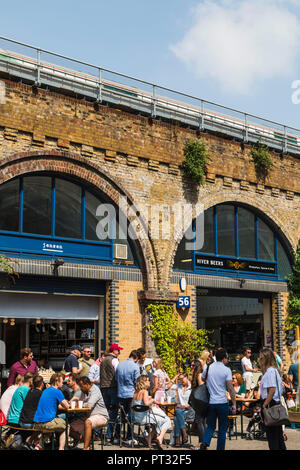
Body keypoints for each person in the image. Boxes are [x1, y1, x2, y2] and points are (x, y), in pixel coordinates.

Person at [200, 348, 236, 451]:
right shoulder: (226, 370)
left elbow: (202, 378)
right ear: (224, 358)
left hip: (211, 401)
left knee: (210, 426)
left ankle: (205, 442)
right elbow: (230, 388)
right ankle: (220, 448)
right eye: (227, 358)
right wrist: (233, 403)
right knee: (222, 429)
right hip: (222, 402)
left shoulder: (208, 367)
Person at [132, 375, 171, 450]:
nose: (150, 381)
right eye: (148, 380)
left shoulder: (135, 393)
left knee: (157, 422)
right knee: (166, 419)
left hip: (137, 418)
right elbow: (146, 403)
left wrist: (148, 399)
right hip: (144, 418)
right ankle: (160, 437)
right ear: (143, 382)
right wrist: (152, 400)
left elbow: (134, 405)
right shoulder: (144, 391)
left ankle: (148, 438)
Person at [70, 376, 109, 451]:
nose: (80, 388)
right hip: (88, 416)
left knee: (88, 422)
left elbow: (89, 405)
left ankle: (86, 448)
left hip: (101, 416)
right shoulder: (83, 391)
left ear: (87, 384)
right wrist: (74, 403)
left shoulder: (95, 390)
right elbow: (81, 402)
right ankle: (85, 440)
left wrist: (78, 405)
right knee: (68, 427)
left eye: (82, 386)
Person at [33, 372, 70, 451]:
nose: (63, 384)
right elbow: (67, 406)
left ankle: (39, 446)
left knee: (50, 429)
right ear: (57, 382)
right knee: (67, 426)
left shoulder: (46, 390)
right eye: (62, 382)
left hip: (37, 422)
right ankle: (61, 448)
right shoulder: (57, 391)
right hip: (47, 422)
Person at [259, 347, 286, 450]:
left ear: (266, 358)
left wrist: (264, 405)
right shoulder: (273, 371)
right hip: (274, 404)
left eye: (261, 358)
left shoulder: (270, 372)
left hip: (271, 405)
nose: (260, 360)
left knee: (273, 437)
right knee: (278, 436)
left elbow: (272, 390)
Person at [100, 343, 123, 445]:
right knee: (113, 412)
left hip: (103, 388)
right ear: (114, 351)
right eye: (118, 350)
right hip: (113, 387)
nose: (119, 352)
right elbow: (118, 374)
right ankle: (109, 437)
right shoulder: (114, 360)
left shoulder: (103, 360)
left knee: (105, 411)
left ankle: (102, 435)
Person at [115, 349, 140, 444]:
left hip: (120, 393)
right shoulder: (135, 366)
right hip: (130, 393)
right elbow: (137, 382)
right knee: (130, 416)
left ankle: (117, 437)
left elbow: (116, 378)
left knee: (120, 416)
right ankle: (129, 437)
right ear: (136, 358)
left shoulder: (120, 364)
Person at [168, 372, 192, 447]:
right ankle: (184, 434)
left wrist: (184, 406)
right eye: (179, 379)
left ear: (187, 377)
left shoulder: (192, 387)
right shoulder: (179, 386)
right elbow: (169, 386)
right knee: (176, 416)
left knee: (176, 417)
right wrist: (175, 377)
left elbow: (193, 402)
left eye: (182, 379)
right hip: (179, 410)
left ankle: (178, 439)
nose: (181, 381)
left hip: (188, 410)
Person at [190, 361, 206, 450]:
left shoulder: (199, 375)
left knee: (200, 421)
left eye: (193, 365)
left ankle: (201, 443)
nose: (191, 367)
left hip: (201, 402)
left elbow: (201, 388)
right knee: (202, 422)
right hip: (201, 402)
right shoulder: (197, 375)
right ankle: (204, 443)